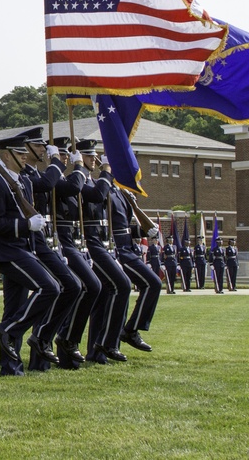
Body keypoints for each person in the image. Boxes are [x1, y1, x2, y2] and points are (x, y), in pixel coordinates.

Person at [0, 128, 65, 376]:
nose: (25, 156)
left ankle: (10, 367)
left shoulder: (24, 181)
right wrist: (26, 225)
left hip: (24, 250)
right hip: (8, 253)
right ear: (6, 156)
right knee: (50, 288)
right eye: (19, 152)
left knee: (14, 308)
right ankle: (10, 330)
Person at [30, 135, 91, 370]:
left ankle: (55, 347)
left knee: (70, 290)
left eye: (68, 154)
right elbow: (74, 187)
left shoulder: (55, 176)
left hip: (63, 240)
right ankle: (44, 351)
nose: (65, 158)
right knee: (57, 291)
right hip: (48, 240)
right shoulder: (51, 177)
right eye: (62, 154)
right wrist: (78, 166)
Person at [81, 153, 132, 364]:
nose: (94, 159)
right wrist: (106, 173)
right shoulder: (79, 182)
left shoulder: (94, 181)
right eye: (88, 155)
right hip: (89, 244)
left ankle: (97, 351)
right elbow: (96, 195)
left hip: (103, 243)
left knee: (104, 296)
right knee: (121, 285)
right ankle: (107, 342)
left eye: (95, 156)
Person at [112, 186, 162, 354]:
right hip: (118, 251)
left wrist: (143, 230)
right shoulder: (108, 191)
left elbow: (125, 227)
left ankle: (126, 333)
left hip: (128, 250)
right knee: (151, 284)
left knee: (152, 284)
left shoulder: (121, 193)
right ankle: (129, 331)